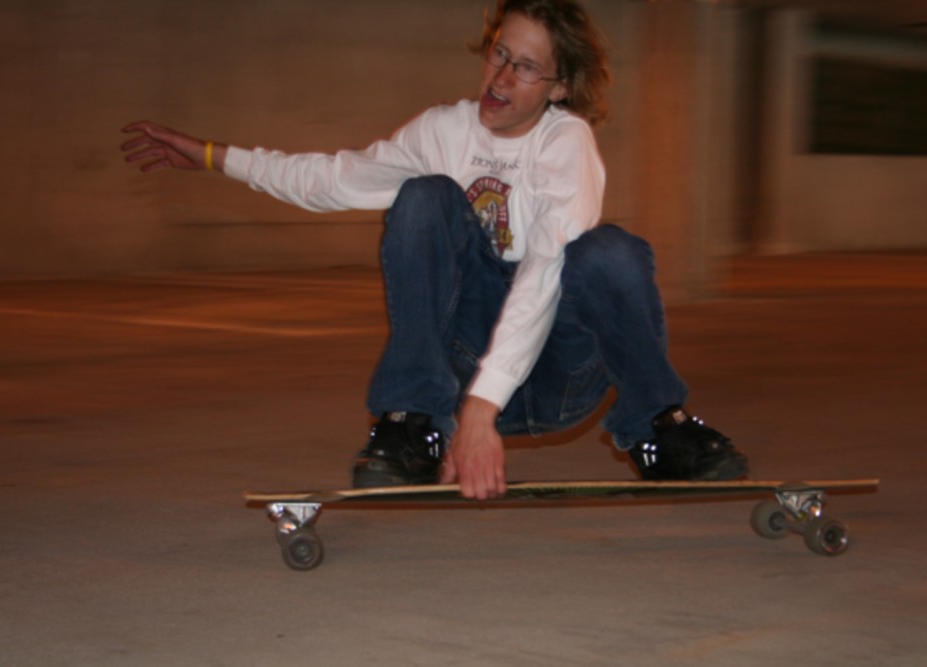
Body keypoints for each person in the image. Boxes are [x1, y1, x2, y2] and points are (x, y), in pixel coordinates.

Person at [121, 0, 748, 500]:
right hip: (463, 361)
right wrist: (214, 156)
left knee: (608, 251)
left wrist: (481, 410)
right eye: (500, 54)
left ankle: (657, 429)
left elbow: (544, 268)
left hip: (561, 370)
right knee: (423, 196)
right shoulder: (441, 131)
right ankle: (414, 424)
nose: (502, 77)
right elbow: (334, 178)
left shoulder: (566, 142)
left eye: (527, 68)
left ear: (560, 88)